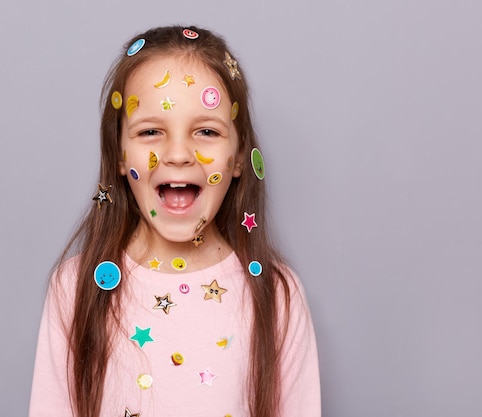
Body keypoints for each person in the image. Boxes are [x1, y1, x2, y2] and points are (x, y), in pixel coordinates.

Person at [29, 25, 320, 417]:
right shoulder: (75, 289)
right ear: (120, 154)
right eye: (150, 131)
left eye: (206, 131)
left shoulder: (277, 296)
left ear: (237, 157)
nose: (179, 154)